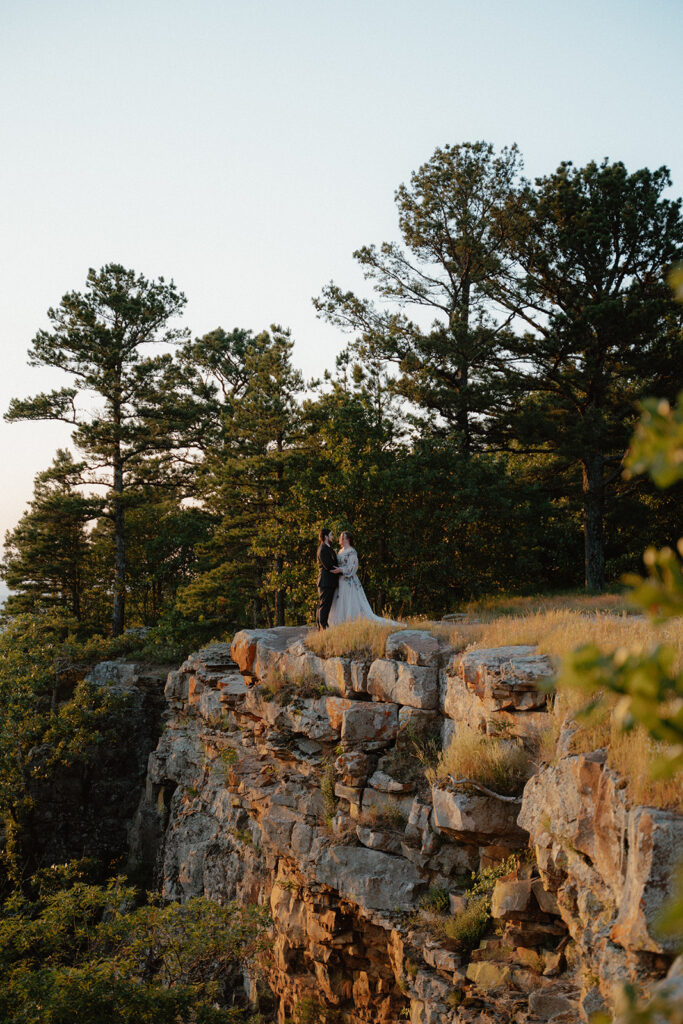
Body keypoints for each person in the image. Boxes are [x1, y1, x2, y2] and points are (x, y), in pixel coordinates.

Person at [328, 530, 400, 626]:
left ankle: (351, 622)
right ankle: (341, 624)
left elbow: (353, 567)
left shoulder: (352, 551)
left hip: (349, 580)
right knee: (341, 602)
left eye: (342, 537)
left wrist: (341, 570)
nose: (340, 539)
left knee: (350, 601)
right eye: (340, 537)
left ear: (348, 539)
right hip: (340, 581)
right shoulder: (340, 551)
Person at [316, 527, 342, 630]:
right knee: (324, 604)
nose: (332, 537)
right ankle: (323, 626)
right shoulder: (322, 549)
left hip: (329, 581)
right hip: (325, 581)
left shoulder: (328, 548)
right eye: (331, 535)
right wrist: (340, 570)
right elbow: (328, 566)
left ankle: (321, 625)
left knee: (325, 604)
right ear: (326, 536)